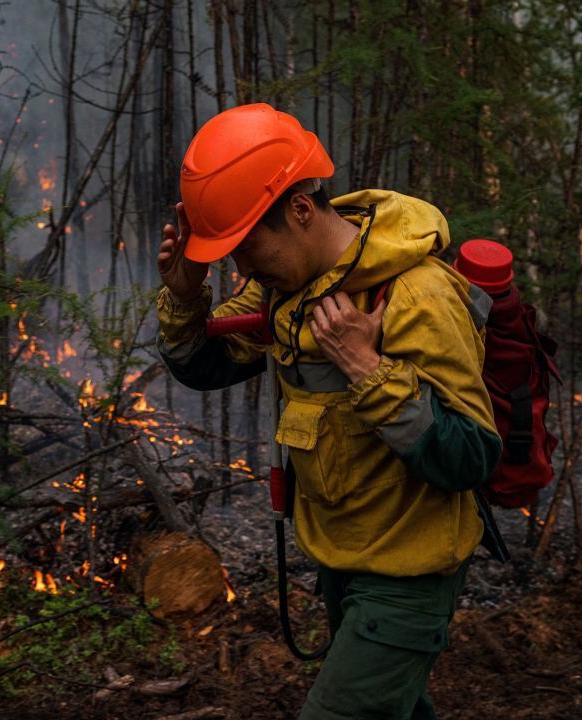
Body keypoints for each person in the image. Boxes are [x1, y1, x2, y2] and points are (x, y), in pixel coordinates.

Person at [156, 103, 501, 719]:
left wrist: (368, 369)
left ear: (299, 209)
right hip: (344, 564)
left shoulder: (416, 294)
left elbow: (471, 458)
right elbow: (204, 368)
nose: (241, 268)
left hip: (409, 577)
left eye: (247, 246)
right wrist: (184, 298)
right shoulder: (281, 290)